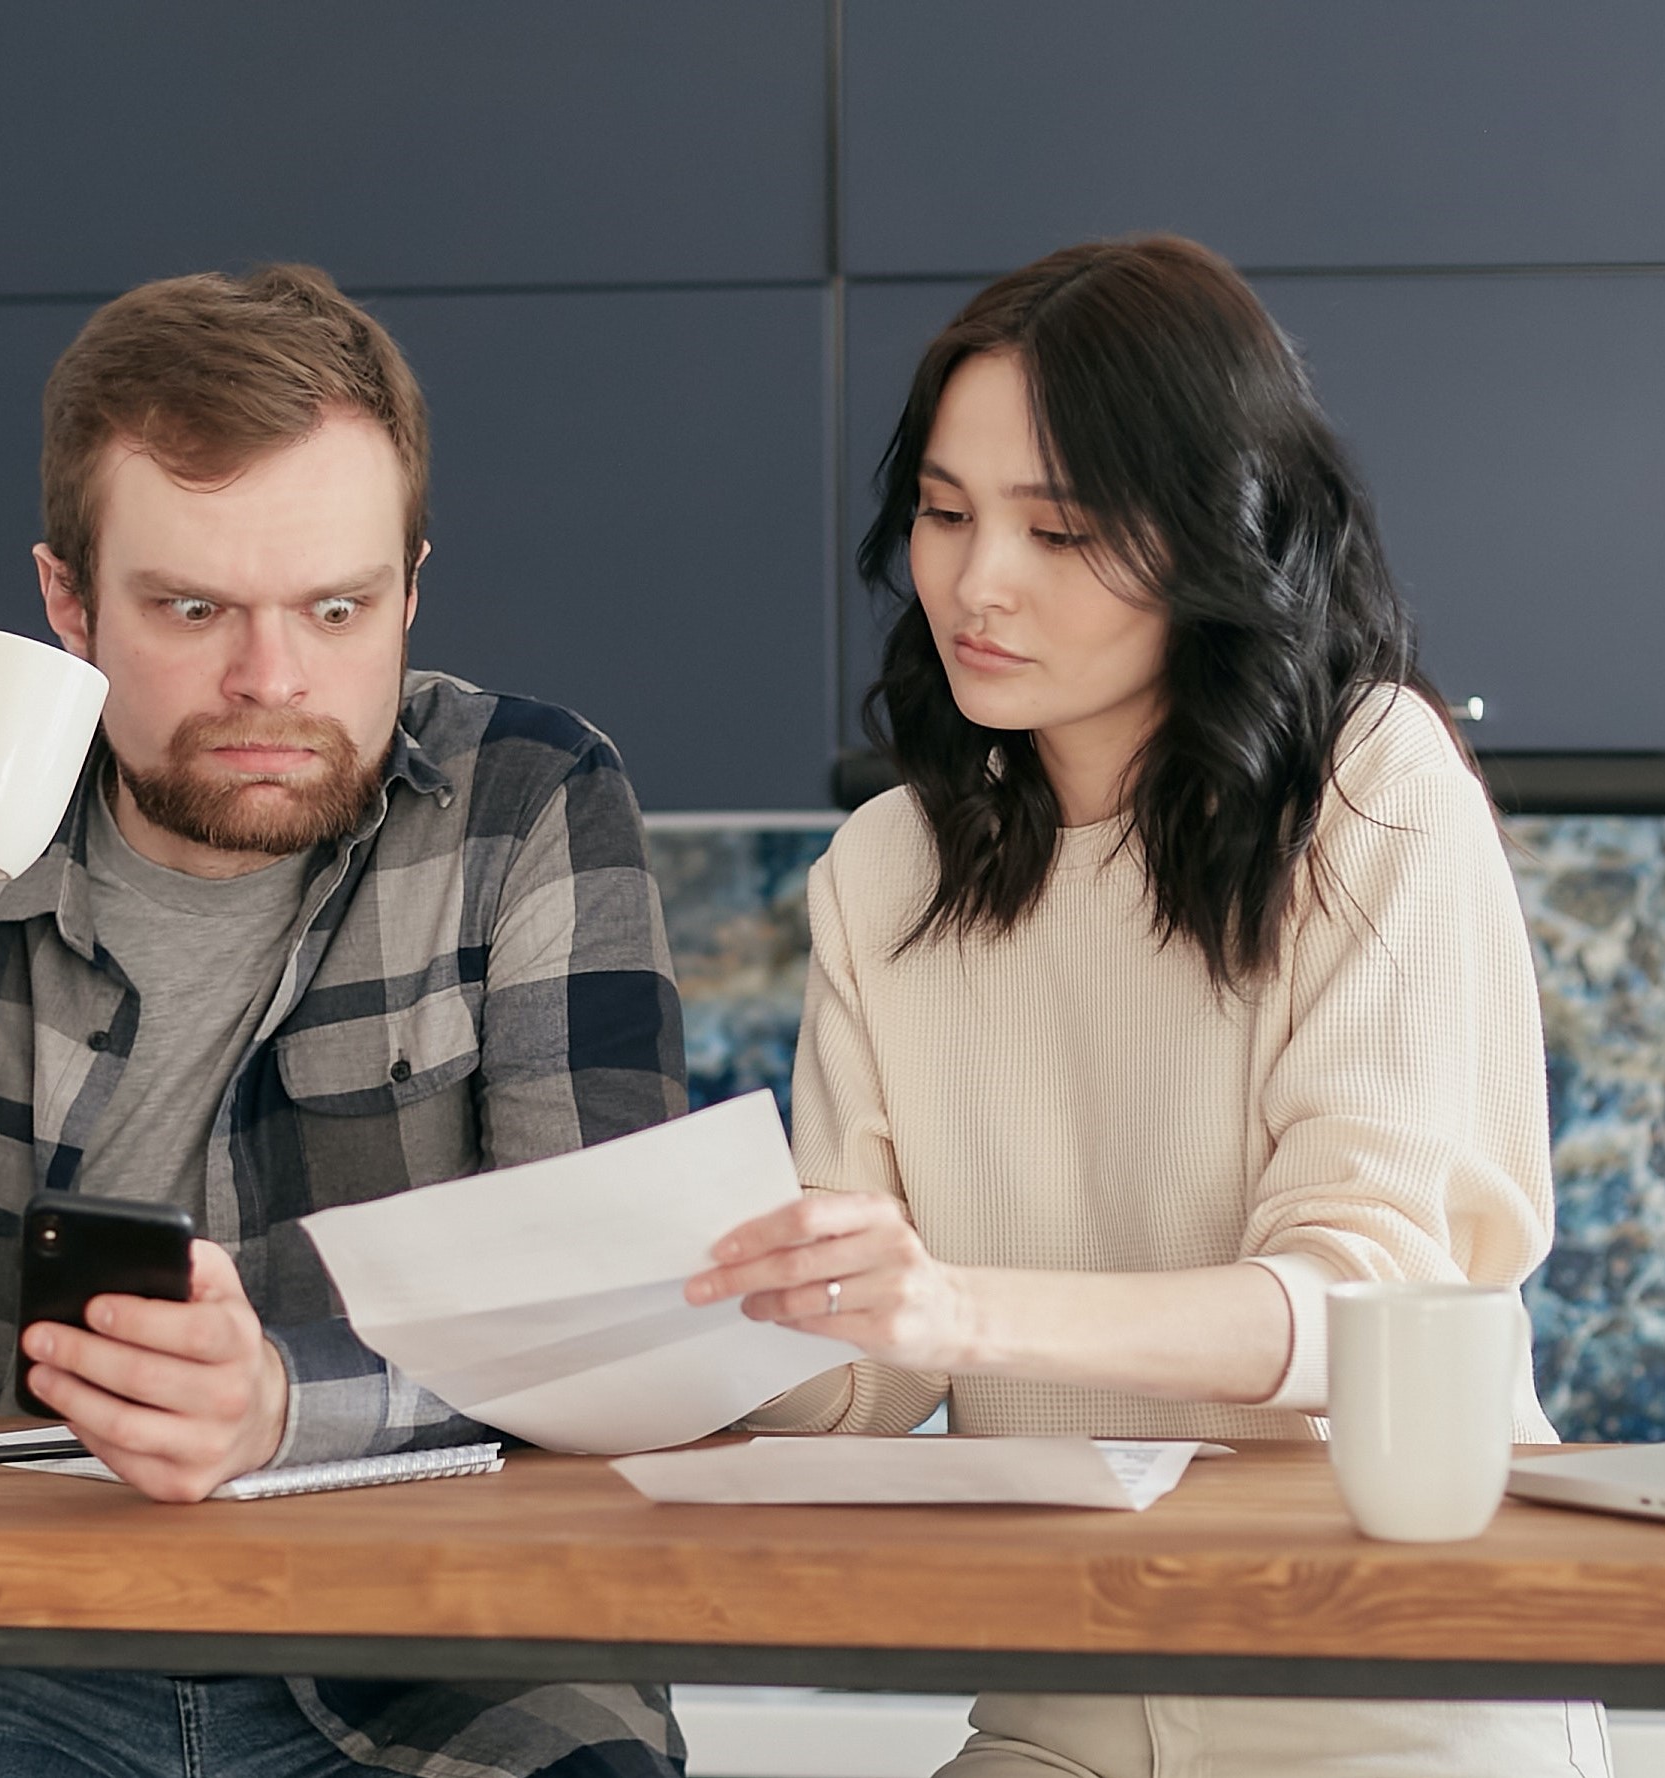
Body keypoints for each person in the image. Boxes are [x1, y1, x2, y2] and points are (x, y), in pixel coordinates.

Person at [0, 264, 688, 1778]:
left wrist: (285, 1407)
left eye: (336, 608)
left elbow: (614, 1331)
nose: (272, 679)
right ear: (67, 602)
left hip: (462, 1667)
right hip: (31, 1662)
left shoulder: (526, 803)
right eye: (193, 607)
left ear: (411, 587)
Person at [685, 237, 1612, 1776]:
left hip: (1389, 1686)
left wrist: (955, 1301)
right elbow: (866, 1379)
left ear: (1212, 537)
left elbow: (1363, 1296)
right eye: (944, 511)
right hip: (1067, 1699)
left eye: (1061, 530)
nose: (978, 583)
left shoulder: (1374, 789)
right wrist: (709, 1316)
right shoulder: (885, 868)